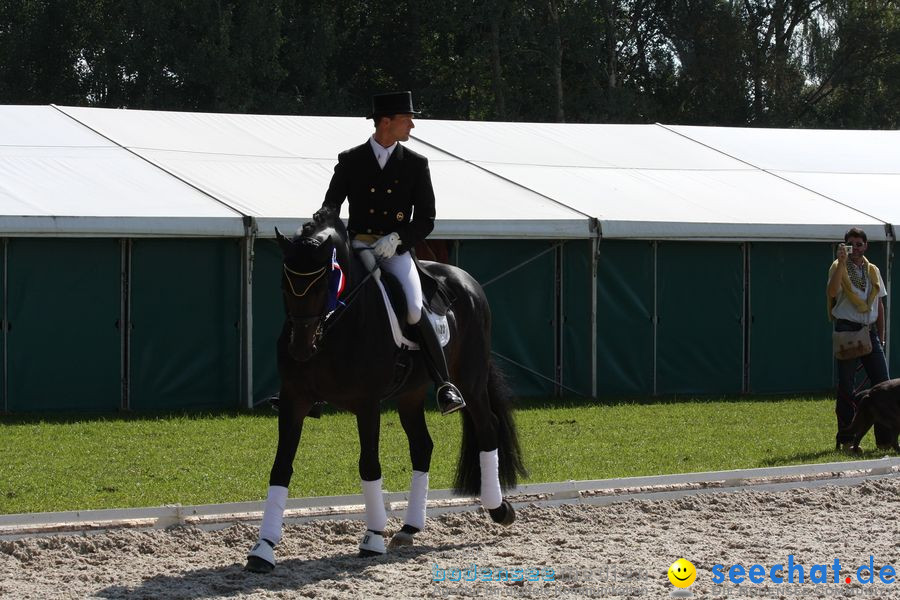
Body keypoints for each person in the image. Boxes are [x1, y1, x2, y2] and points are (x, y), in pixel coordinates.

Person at [313, 91, 465, 415]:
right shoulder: (350, 160)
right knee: (325, 300)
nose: (411, 124)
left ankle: (444, 384)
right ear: (387, 122)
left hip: (395, 250)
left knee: (412, 307)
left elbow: (426, 219)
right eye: (406, 118)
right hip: (357, 247)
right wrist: (324, 223)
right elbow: (331, 205)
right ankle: (314, 384)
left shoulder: (415, 164)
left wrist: (398, 237)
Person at [826, 227, 889, 449]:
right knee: (846, 386)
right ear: (844, 246)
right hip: (848, 330)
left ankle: (885, 440)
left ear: (866, 245)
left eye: (859, 244)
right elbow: (833, 293)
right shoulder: (837, 267)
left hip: (869, 330)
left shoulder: (873, 270)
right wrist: (841, 262)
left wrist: (880, 336)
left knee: (883, 386)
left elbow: (879, 304)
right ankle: (846, 439)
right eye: (850, 244)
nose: (855, 248)